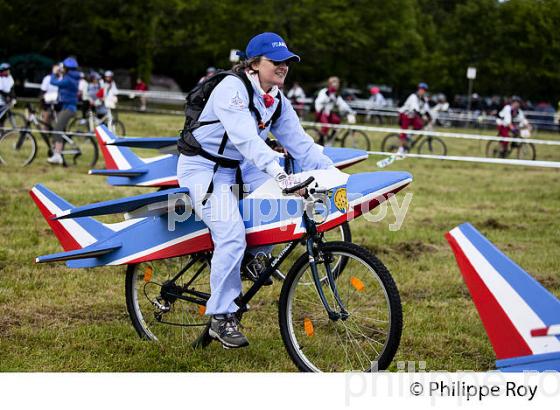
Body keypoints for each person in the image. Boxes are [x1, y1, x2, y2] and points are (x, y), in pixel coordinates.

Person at [176, 32, 334, 349]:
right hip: (203, 168)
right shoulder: (231, 89)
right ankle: (221, 316)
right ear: (254, 63)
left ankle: (254, 256)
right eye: (276, 61)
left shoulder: (275, 98)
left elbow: (302, 145)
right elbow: (247, 140)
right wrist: (278, 173)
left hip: (239, 165)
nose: (283, 67)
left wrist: (333, 174)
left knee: (282, 207)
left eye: (287, 62)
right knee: (232, 234)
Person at [47, 57, 80, 165]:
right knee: (59, 130)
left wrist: (54, 72)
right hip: (67, 107)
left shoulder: (68, 80)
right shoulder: (72, 77)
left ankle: (57, 155)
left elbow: (53, 82)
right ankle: (59, 152)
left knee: (57, 129)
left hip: (68, 109)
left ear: (67, 69)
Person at [313, 76, 356, 144]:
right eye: (335, 83)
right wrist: (328, 96)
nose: (337, 85)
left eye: (338, 83)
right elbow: (319, 101)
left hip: (328, 113)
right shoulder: (324, 92)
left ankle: (331, 137)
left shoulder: (335, 94)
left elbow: (342, 104)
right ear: (330, 84)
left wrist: (351, 111)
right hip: (321, 112)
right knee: (326, 126)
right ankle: (320, 141)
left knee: (337, 120)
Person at [397, 82, 431, 154]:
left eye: (424, 90)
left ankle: (408, 136)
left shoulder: (423, 99)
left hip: (412, 115)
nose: (423, 91)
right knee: (404, 132)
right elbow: (415, 109)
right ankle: (400, 150)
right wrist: (423, 117)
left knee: (420, 125)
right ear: (418, 89)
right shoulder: (413, 97)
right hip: (405, 114)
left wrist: (429, 117)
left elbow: (426, 109)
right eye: (421, 89)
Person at [0, 63, 15, 129]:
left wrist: (13, 97)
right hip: (1, 99)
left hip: (5, 99)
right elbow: (0, 91)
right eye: (7, 70)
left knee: (3, 116)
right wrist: (7, 97)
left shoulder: (10, 77)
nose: (9, 71)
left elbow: (12, 89)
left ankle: (1, 130)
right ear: (3, 71)